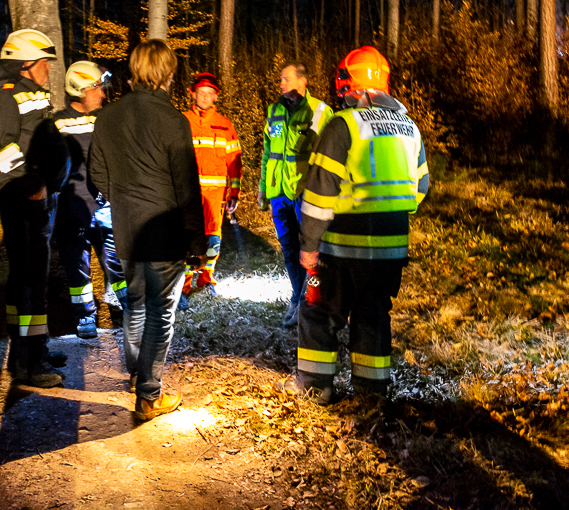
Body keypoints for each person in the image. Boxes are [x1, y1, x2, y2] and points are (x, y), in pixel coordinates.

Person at [278, 46, 429, 405]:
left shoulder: (343, 125)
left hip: (341, 248)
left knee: (319, 311)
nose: (341, 94)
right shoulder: (410, 127)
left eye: (344, 86)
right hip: (391, 249)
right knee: (373, 314)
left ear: (352, 86)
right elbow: (421, 187)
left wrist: (309, 245)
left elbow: (319, 193)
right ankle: (371, 392)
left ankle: (315, 386)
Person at [89, 39, 206, 420]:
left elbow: (97, 174)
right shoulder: (172, 120)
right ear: (167, 73)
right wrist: (197, 240)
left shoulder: (108, 117)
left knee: (135, 304)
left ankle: (137, 376)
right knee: (160, 313)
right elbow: (186, 186)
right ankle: (149, 395)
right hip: (164, 231)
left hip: (126, 229)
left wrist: (123, 200)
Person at [0, 28, 71, 389]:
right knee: (28, 281)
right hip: (24, 200)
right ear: (26, 63)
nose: (49, 68)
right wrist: (32, 185)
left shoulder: (25, 92)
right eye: (45, 61)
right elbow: (0, 150)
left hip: (38, 199)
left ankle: (35, 351)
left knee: (35, 279)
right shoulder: (5, 96)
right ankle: (27, 364)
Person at [54, 61, 127, 340]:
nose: (102, 94)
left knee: (116, 262)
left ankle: (127, 309)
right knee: (77, 267)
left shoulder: (105, 120)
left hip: (107, 206)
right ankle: (85, 316)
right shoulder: (57, 125)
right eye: (97, 88)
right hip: (73, 210)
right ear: (80, 90)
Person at [258, 64, 332, 328]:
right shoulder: (275, 111)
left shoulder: (319, 111)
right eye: (280, 79)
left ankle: (310, 301)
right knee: (289, 248)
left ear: (302, 81)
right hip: (279, 192)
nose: (281, 84)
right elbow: (268, 152)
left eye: (286, 79)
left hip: (305, 192)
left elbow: (328, 156)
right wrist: (263, 187)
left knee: (310, 250)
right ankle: (297, 297)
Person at [179, 72, 241, 310]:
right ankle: (183, 287)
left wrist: (234, 193)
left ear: (216, 96)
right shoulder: (182, 121)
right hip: (188, 195)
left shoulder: (225, 125)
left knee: (213, 242)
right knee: (187, 241)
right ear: (193, 94)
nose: (205, 97)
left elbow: (234, 161)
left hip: (215, 196)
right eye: (201, 92)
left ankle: (206, 281)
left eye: (209, 93)